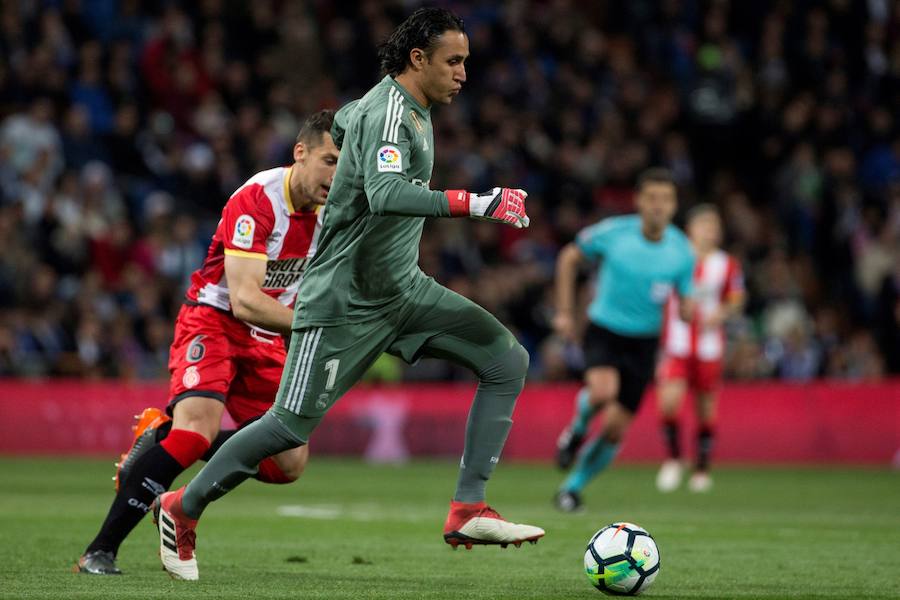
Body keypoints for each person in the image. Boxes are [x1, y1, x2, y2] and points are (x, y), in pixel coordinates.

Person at [151, 7, 543, 581]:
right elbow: (385, 193)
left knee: (506, 359)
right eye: (453, 61)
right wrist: (476, 203)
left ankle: (467, 508)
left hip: (403, 290)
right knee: (287, 431)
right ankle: (181, 508)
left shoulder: (399, 108)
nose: (463, 73)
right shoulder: (389, 113)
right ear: (418, 59)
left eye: (465, 62)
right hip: (343, 301)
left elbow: (358, 153)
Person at [76, 110, 339, 575]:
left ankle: (160, 439)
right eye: (329, 160)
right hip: (214, 319)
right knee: (195, 431)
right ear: (300, 152)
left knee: (289, 462)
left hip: (269, 334)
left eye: (344, 166)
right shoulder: (258, 199)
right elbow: (244, 301)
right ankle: (100, 551)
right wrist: (313, 328)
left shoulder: (335, 213)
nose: (334, 176)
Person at [552, 168, 695, 512]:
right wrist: (565, 312)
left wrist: (693, 310)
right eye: (652, 198)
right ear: (639, 202)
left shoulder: (682, 251)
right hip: (605, 330)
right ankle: (577, 428)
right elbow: (569, 257)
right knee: (602, 392)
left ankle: (570, 489)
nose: (658, 206)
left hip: (645, 342)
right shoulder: (614, 233)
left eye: (665, 199)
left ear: (674, 205)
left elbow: (686, 303)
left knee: (615, 430)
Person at [655, 204, 744, 493]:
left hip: (709, 347)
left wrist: (723, 313)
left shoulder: (727, 264)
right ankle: (673, 459)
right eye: (704, 225)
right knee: (669, 402)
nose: (710, 231)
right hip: (677, 344)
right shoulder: (674, 259)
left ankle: (702, 468)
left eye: (714, 226)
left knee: (706, 409)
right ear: (690, 230)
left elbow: (737, 298)